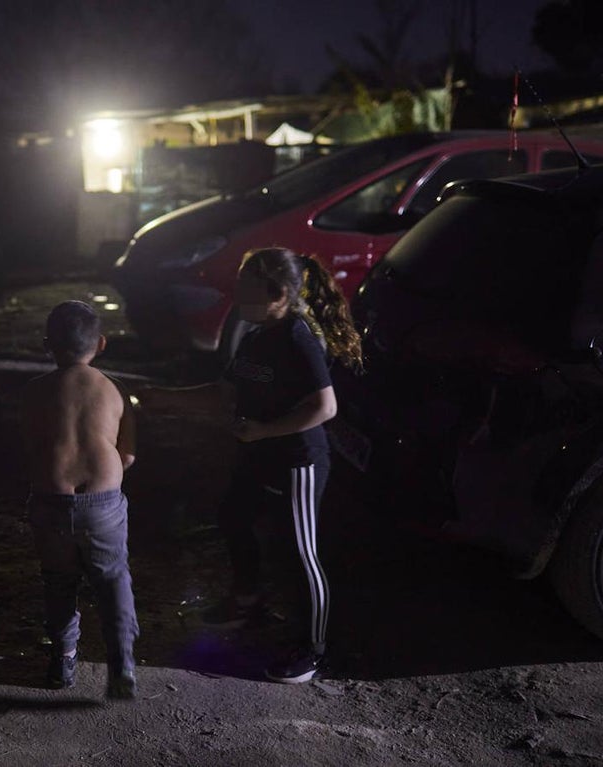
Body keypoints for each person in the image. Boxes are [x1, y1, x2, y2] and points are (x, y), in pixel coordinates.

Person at [145, 247, 363, 684]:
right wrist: (160, 397)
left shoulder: (298, 335)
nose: (236, 293)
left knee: (302, 552)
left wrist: (264, 431)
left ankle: (314, 649)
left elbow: (326, 406)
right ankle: (248, 602)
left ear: (279, 293)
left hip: (297, 461)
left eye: (245, 288)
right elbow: (226, 391)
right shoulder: (255, 332)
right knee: (234, 516)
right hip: (258, 455)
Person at [20, 300, 140, 700]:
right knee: (112, 579)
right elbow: (128, 455)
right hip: (102, 504)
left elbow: (31, 447)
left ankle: (63, 659)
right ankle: (122, 663)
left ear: (46, 345)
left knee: (59, 582)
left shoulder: (33, 392)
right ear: (101, 344)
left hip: (50, 503)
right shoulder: (116, 389)